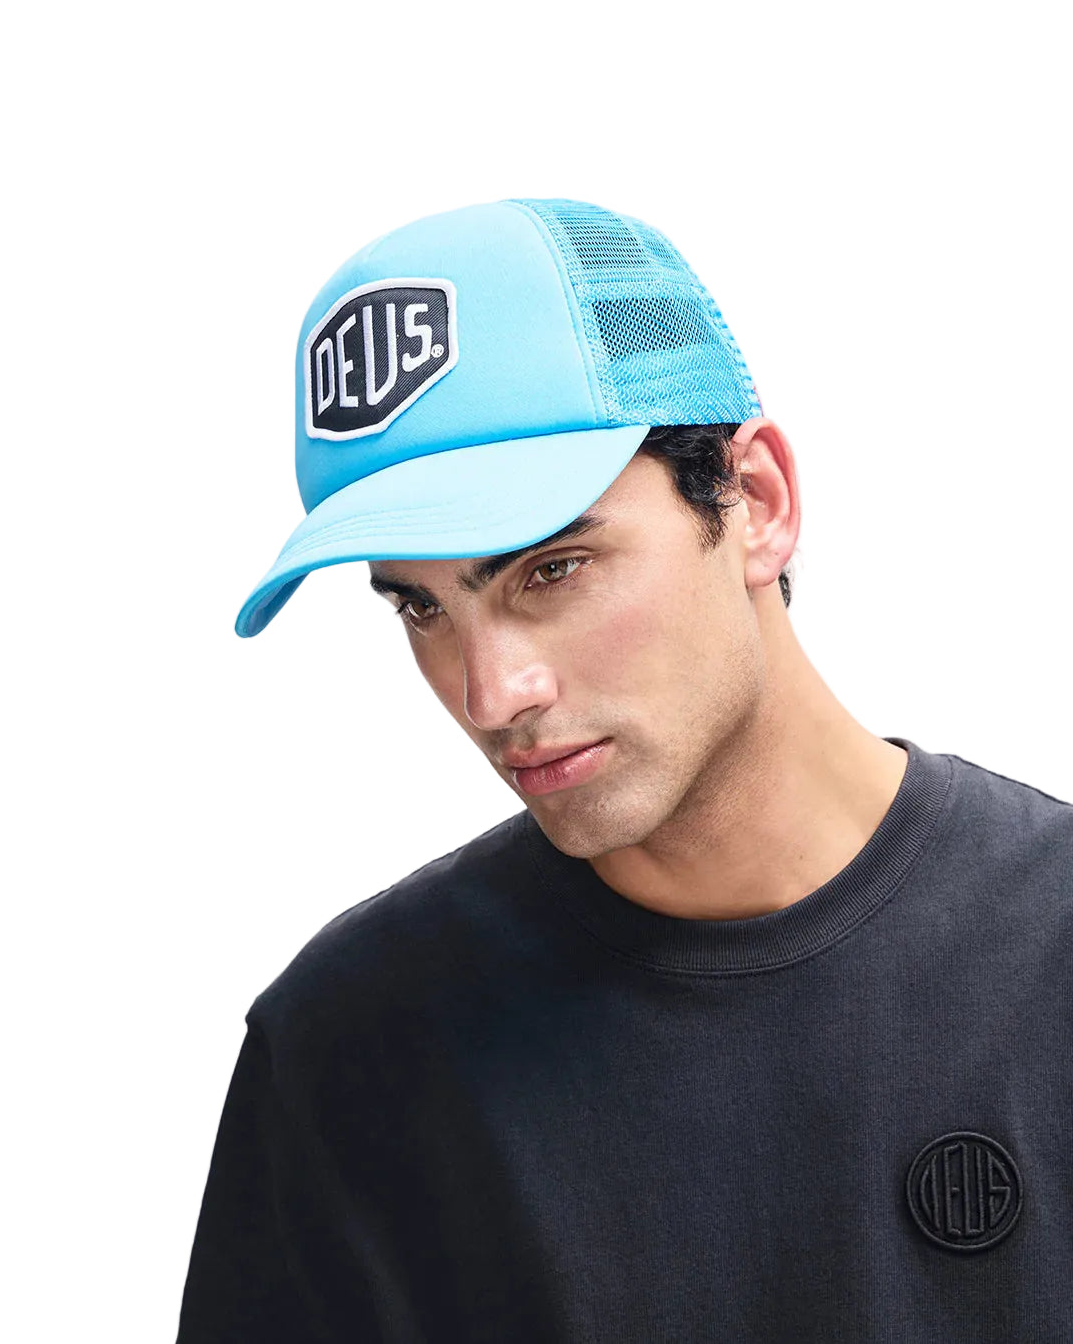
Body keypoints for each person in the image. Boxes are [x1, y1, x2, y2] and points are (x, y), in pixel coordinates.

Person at [176, 198, 1073, 1342]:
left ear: (755, 503)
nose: (492, 693)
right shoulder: (350, 1053)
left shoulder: (1050, 957)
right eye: (421, 607)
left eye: (552, 570)